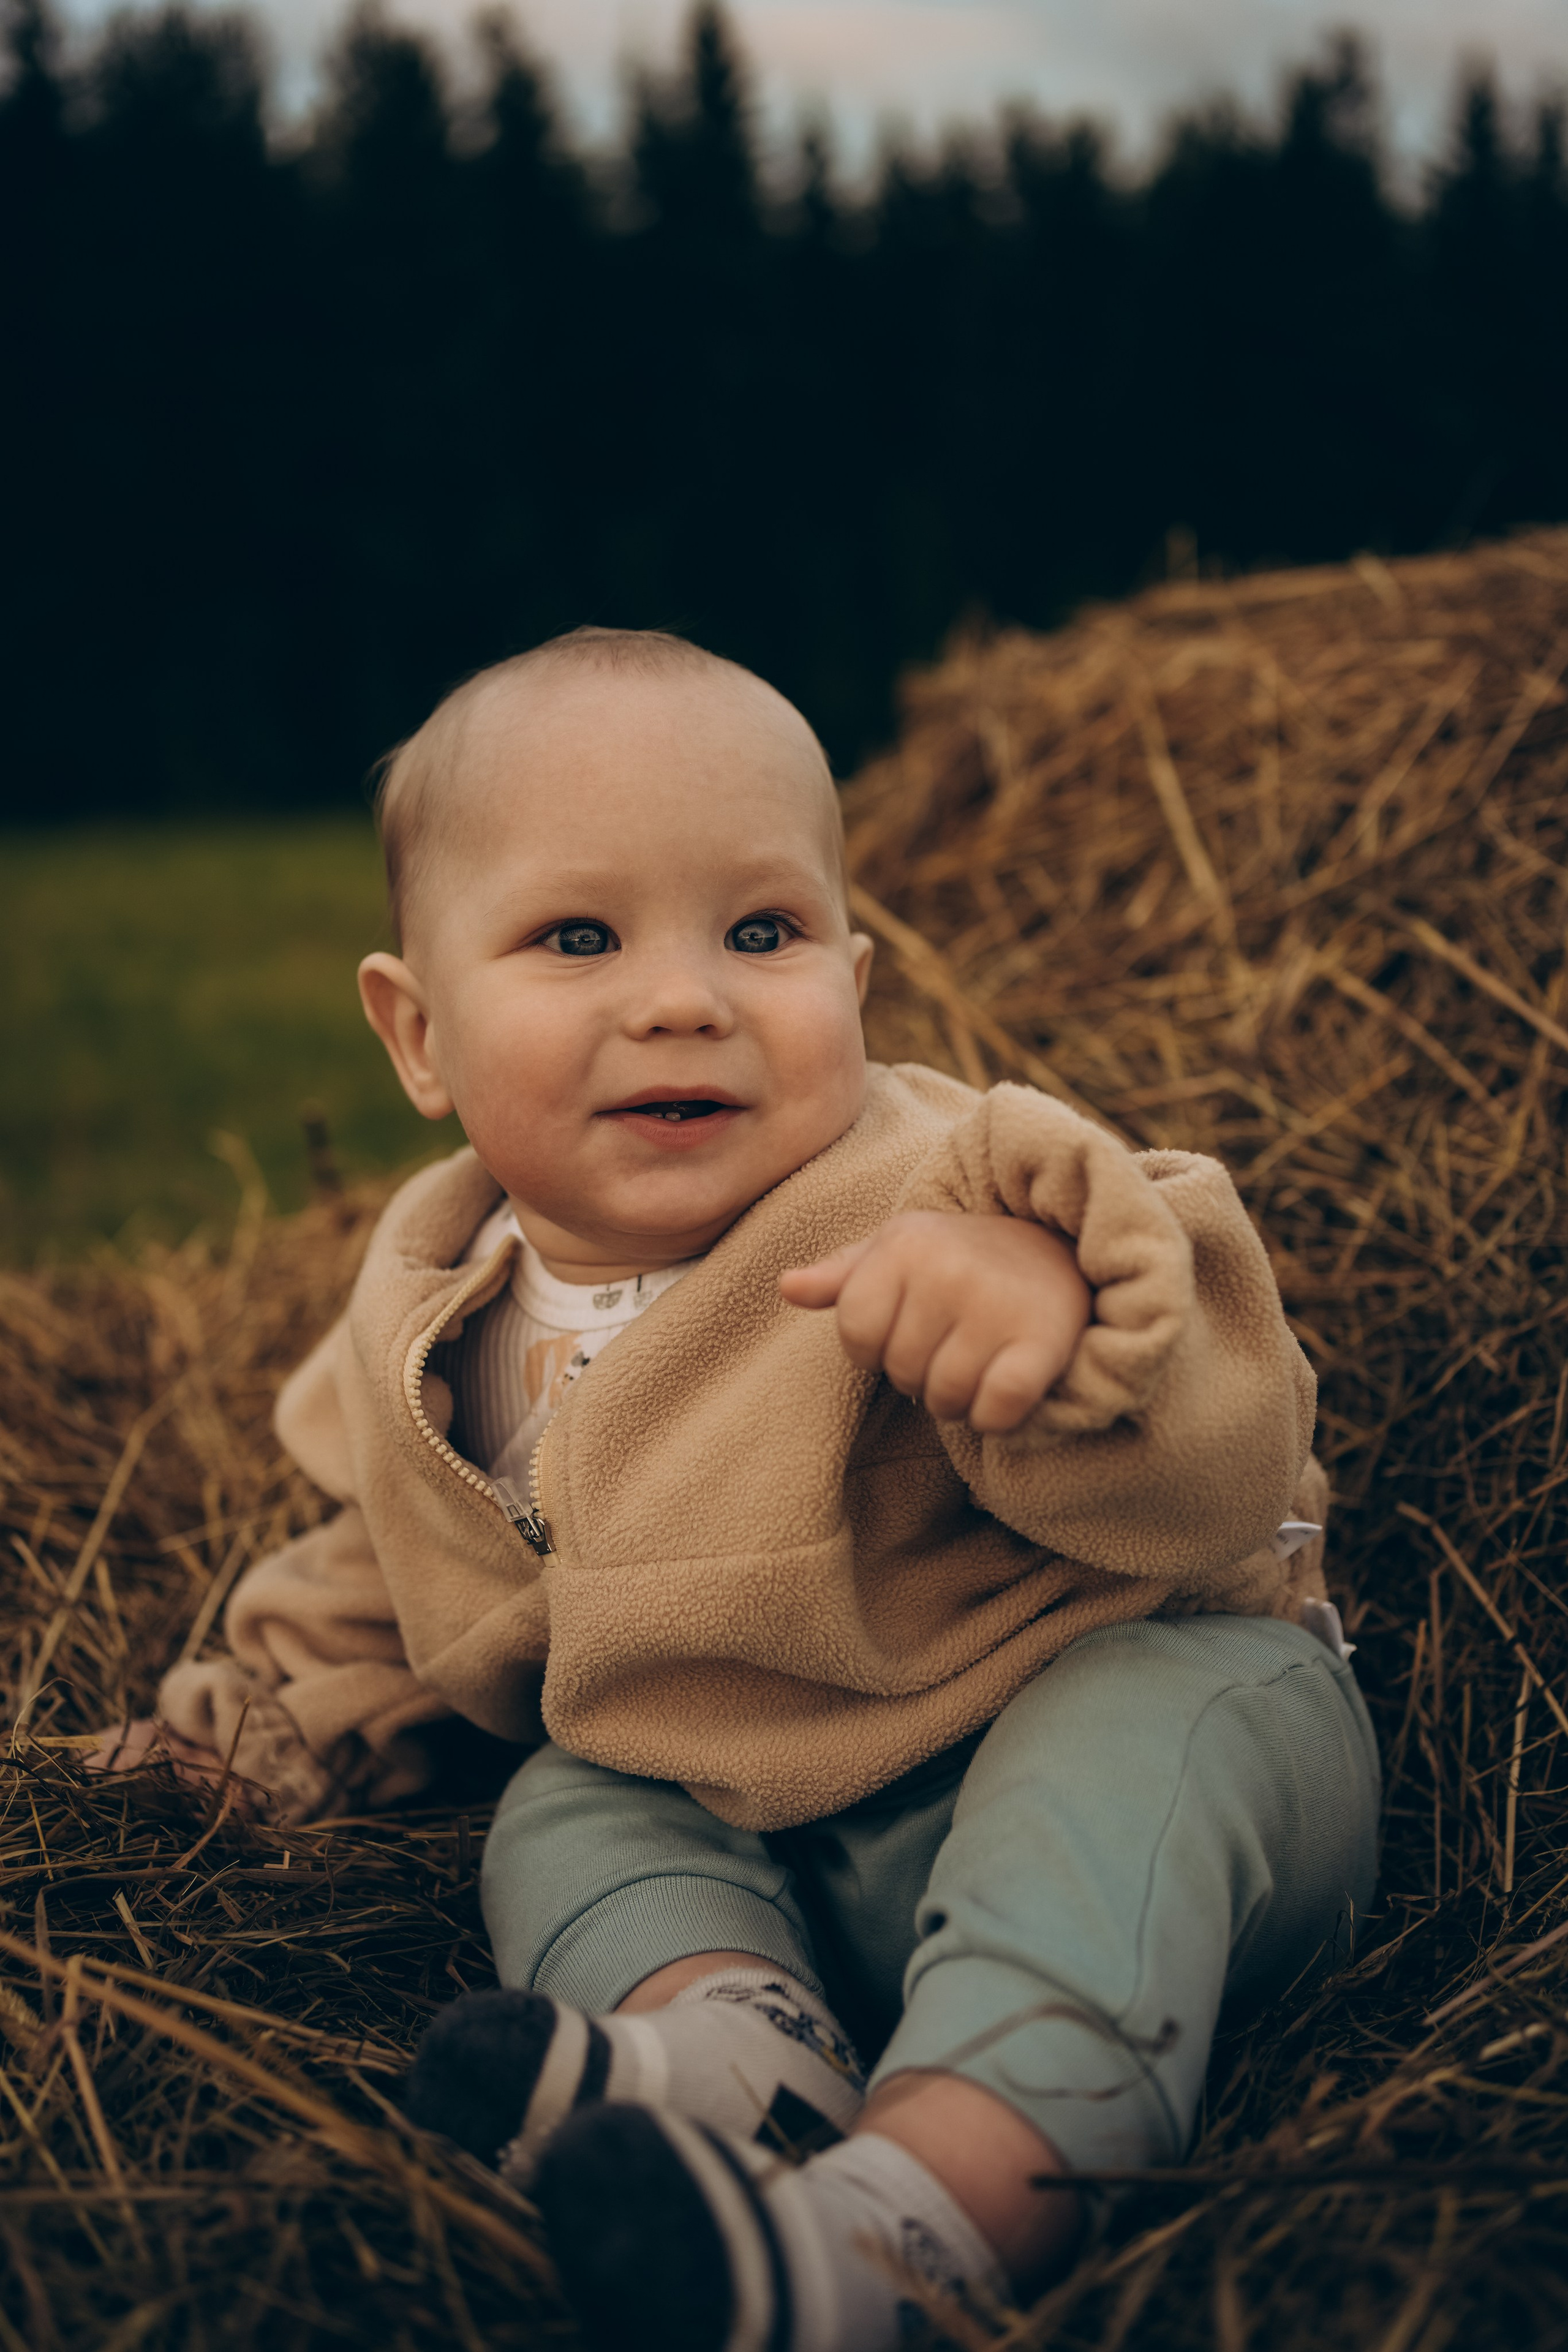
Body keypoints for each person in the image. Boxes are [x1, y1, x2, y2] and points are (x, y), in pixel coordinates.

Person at [91, 628, 1379, 2352]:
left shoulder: (947, 1193)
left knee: (1127, 1739)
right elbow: (402, 1576)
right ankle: (729, 2043)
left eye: (762, 934)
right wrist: (262, 1738)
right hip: (787, 1821)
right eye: (579, 938)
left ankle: (927, 2211)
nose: (685, 998)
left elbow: (1226, 1449)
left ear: (854, 977)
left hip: (1162, 1766)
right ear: (419, 1034)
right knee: (574, 1794)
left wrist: (1062, 1323)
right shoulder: (431, 1317)